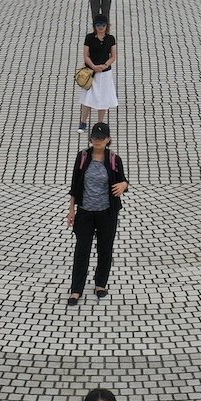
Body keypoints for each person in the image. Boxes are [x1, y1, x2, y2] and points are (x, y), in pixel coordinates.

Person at [65, 123, 128, 305]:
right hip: (85, 212)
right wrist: (72, 209)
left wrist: (124, 185)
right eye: (94, 137)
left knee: (104, 248)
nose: (97, 141)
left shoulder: (115, 159)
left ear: (108, 139)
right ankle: (76, 289)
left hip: (107, 213)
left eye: (101, 138)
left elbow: (123, 181)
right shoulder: (83, 157)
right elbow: (75, 184)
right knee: (81, 250)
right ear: (91, 139)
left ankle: (101, 284)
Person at [77, 18, 120, 133]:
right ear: (95, 26)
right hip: (91, 72)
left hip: (105, 73)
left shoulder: (111, 39)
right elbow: (86, 55)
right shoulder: (89, 38)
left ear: (107, 26)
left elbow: (113, 56)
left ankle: (100, 123)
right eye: (98, 25)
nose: (101, 27)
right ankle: (83, 122)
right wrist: (94, 66)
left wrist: (105, 65)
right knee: (88, 97)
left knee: (104, 98)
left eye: (103, 25)